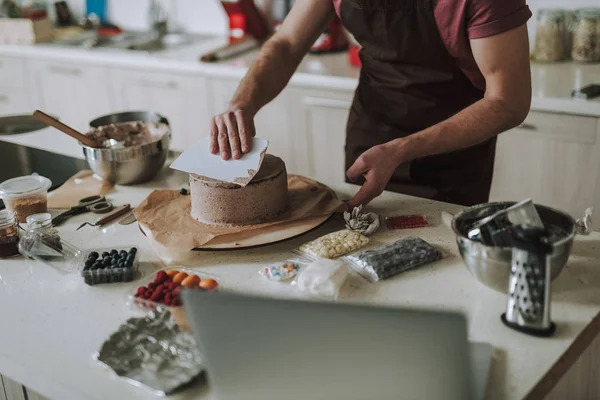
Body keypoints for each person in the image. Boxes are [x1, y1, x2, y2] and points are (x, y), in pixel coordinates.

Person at [209, 0, 532, 207]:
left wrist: (403, 149)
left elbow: (508, 101)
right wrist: (242, 103)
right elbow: (286, 43)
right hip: (372, 132)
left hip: (451, 154)